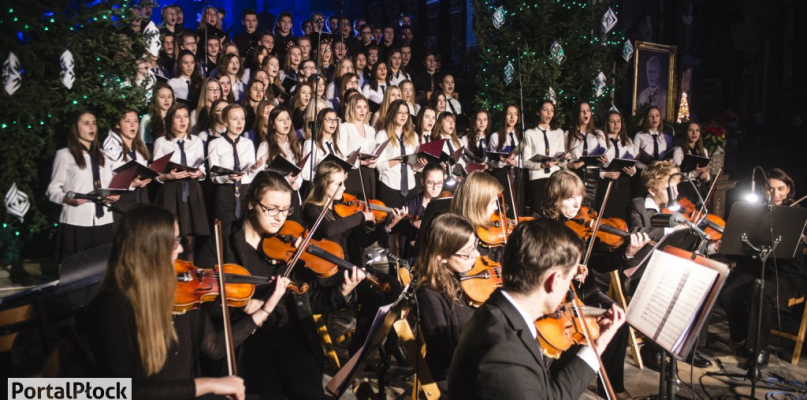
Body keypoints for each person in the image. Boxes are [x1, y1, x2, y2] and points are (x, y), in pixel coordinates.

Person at [88, 205, 289, 400]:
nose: (181, 248)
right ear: (150, 248)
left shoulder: (182, 293)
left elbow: (215, 346)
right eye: (174, 241)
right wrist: (207, 385)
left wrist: (266, 309)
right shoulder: (110, 307)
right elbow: (119, 390)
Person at [195, 171, 361, 399]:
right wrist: (243, 305)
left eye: (285, 210)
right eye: (271, 209)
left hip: (290, 335)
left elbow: (307, 299)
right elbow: (202, 301)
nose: (279, 218)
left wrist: (342, 291)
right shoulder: (223, 243)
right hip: (247, 341)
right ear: (251, 203)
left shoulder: (290, 241)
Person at [448, 218, 627, 400]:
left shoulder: (497, 311)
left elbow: (548, 394)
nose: (569, 292)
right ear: (554, 281)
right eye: (569, 279)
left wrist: (598, 345)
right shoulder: (504, 356)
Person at [301, 161, 406, 355]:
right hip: (329, 273)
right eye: (339, 184)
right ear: (324, 184)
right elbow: (328, 229)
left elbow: (363, 241)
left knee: (394, 288)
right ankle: (358, 352)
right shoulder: (311, 209)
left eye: (344, 183)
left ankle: (383, 341)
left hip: (351, 268)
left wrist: (388, 226)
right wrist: (360, 217)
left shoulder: (344, 210)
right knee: (374, 295)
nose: (344, 188)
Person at [719, 168, 805, 371]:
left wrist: (799, 236)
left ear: (788, 189)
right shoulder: (755, 212)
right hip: (759, 268)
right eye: (770, 189)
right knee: (728, 292)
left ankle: (760, 350)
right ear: (763, 189)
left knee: (759, 288)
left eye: (781, 189)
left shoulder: (798, 215)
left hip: (789, 274)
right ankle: (743, 337)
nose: (776, 194)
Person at [414, 213, 478, 397]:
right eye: (467, 252)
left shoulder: (461, 277)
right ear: (441, 256)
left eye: (475, 246)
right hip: (461, 384)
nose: (476, 255)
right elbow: (444, 358)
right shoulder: (429, 295)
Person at [47, 111, 119, 262]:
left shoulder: (104, 155)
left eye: (94, 123)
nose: (92, 127)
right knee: (77, 269)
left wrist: (113, 194)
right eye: (86, 123)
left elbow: (109, 184)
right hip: (77, 221)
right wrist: (67, 199)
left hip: (103, 221)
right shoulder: (64, 155)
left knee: (102, 268)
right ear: (75, 128)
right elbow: (52, 190)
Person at [153, 103, 209, 260]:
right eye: (178, 117)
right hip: (171, 191)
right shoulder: (162, 142)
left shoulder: (196, 141)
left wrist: (198, 174)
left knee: (190, 241)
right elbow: (156, 173)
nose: (182, 121)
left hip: (192, 190)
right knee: (171, 238)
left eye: (185, 117)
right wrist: (168, 176)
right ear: (170, 120)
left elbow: (202, 170)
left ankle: (188, 270)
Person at [208, 104, 262, 227]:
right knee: (224, 230)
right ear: (225, 122)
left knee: (244, 229)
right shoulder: (215, 144)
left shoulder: (248, 143)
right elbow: (213, 177)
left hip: (245, 192)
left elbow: (251, 175)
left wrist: (255, 168)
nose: (239, 123)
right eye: (234, 119)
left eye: (242, 118)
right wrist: (227, 177)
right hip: (225, 193)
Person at [103, 110, 152, 230]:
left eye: (135, 121)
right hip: (123, 200)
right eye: (127, 121)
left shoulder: (140, 146)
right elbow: (108, 179)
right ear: (117, 125)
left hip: (142, 197)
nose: (133, 125)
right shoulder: (111, 148)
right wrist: (131, 183)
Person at [375, 100, 423, 208]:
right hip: (389, 185)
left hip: (410, 186)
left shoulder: (413, 135)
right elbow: (378, 165)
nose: (403, 116)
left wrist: (420, 164)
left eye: (406, 113)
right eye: (400, 112)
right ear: (393, 114)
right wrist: (399, 159)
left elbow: (413, 167)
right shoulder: (382, 135)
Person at [521, 101, 568, 212]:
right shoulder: (529, 133)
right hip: (537, 178)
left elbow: (561, 162)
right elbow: (525, 162)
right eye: (545, 110)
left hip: (555, 177)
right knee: (540, 211)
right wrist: (542, 165)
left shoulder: (559, 132)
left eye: (552, 110)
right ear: (538, 112)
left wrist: (564, 159)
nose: (549, 113)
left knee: (555, 211)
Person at [255, 106, 304, 211]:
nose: (286, 122)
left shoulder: (296, 145)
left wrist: (298, 183)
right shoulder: (265, 146)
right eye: (281, 120)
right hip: (276, 195)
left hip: (293, 193)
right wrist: (285, 180)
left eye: (288, 118)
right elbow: (260, 175)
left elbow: (300, 168)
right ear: (273, 124)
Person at [594, 111, 638, 220]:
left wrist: (632, 171)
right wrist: (605, 173)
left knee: (621, 216)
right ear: (607, 123)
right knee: (604, 216)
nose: (616, 124)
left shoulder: (627, 141)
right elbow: (592, 166)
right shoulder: (600, 139)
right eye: (612, 121)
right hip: (605, 183)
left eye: (618, 121)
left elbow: (633, 164)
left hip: (623, 184)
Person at [488, 104, 525, 217]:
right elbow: (492, 161)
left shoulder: (522, 136)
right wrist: (502, 161)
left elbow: (527, 157)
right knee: (505, 206)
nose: (512, 117)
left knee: (519, 205)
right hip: (502, 173)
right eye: (509, 114)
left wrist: (516, 162)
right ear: (504, 116)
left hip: (518, 173)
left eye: (515, 114)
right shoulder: (495, 136)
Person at [339, 94, 378, 198]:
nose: (362, 110)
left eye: (365, 107)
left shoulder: (371, 130)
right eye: (358, 107)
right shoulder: (344, 127)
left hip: (369, 174)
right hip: (352, 174)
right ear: (352, 109)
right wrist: (360, 162)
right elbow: (341, 156)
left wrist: (373, 161)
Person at [669, 121, 711, 203]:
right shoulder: (679, 151)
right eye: (691, 130)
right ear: (686, 132)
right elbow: (676, 175)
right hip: (685, 189)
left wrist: (706, 176)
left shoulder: (704, 151)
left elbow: (707, 175)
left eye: (697, 130)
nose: (694, 133)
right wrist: (694, 173)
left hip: (700, 189)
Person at [140, 82, 174, 147]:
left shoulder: (175, 117)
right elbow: (143, 144)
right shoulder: (148, 119)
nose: (166, 100)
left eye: (169, 97)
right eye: (162, 97)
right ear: (155, 98)